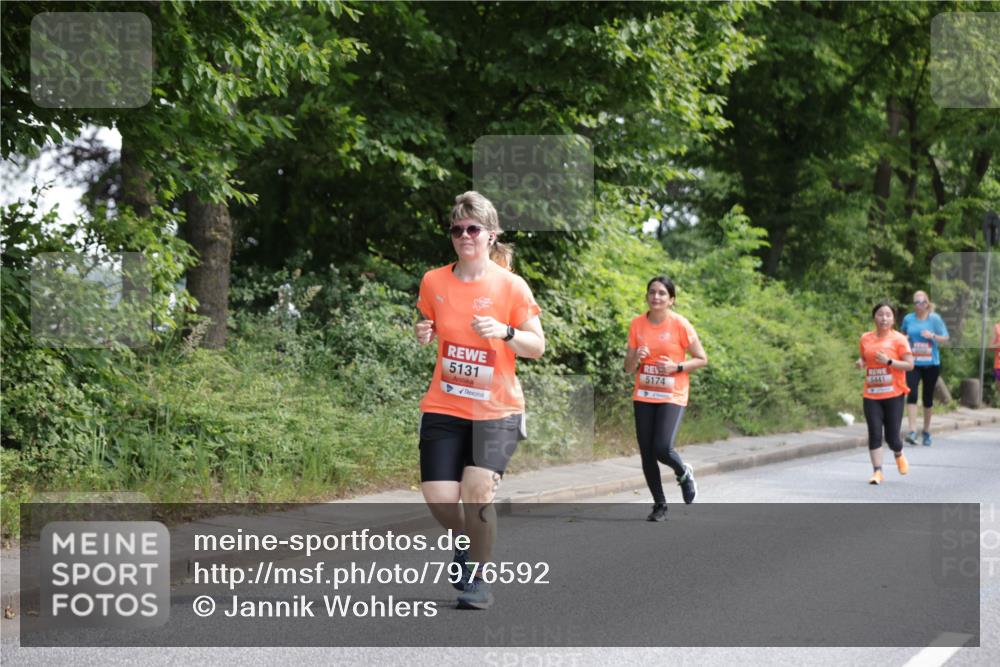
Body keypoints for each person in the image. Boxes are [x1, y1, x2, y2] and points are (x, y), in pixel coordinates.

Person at [413, 191, 544, 609]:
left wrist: (505, 332)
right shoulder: (434, 281)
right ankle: (468, 544)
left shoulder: (510, 286)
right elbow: (430, 319)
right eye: (457, 229)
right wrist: (424, 330)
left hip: (497, 409)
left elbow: (537, 346)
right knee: (438, 497)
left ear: (490, 235)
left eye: (473, 228)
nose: (464, 235)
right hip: (445, 404)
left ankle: (478, 581)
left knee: (477, 489)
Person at [624, 277, 708, 521]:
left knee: (662, 447)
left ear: (671, 300)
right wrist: (636, 358)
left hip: (673, 393)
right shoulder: (637, 325)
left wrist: (677, 366)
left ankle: (683, 472)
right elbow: (628, 368)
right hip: (644, 393)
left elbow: (701, 358)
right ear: (647, 296)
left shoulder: (680, 324)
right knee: (647, 452)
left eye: (662, 293)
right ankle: (659, 505)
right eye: (652, 292)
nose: (656, 297)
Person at [856, 301, 914, 485]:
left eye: (888, 315)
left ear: (893, 319)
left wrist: (889, 362)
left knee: (892, 437)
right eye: (880, 314)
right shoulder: (865, 338)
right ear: (874, 317)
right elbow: (865, 357)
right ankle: (877, 471)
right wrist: (861, 362)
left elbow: (910, 365)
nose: (884, 318)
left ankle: (898, 453)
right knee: (874, 432)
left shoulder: (899, 339)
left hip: (894, 394)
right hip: (871, 394)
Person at [900, 291, 949, 446]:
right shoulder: (908, 319)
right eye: (916, 302)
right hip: (913, 363)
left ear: (927, 304)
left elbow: (946, 338)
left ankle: (926, 431)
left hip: (931, 364)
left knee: (927, 398)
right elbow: (902, 336)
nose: (918, 305)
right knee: (912, 394)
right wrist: (905, 339)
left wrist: (932, 336)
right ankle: (912, 431)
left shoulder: (934, 319)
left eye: (921, 302)